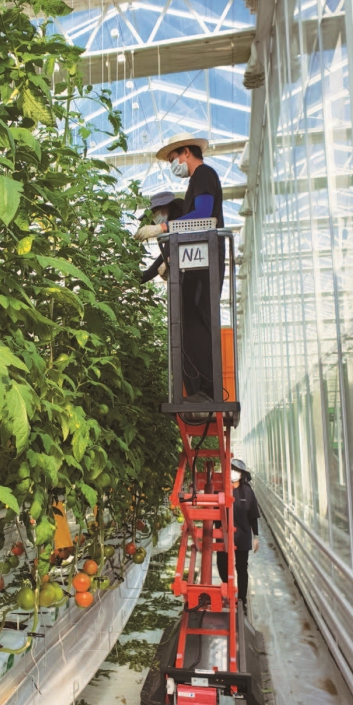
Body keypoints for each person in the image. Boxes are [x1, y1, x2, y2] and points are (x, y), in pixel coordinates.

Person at [134, 133, 225, 400]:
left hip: (206, 260)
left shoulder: (204, 174)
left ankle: (208, 389)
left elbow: (203, 215)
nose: (174, 165)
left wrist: (162, 228)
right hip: (200, 260)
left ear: (186, 152)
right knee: (190, 320)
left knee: (198, 321)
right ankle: (201, 389)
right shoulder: (197, 181)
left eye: (173, 159)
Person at [216, 458, 260, 615]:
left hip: (242, 535)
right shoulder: (220, 490)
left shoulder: (247, 492)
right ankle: (229, 590)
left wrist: (256, 536)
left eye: (237, 470)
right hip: (223, 535)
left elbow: (253, 516)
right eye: (232, 469)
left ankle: (242, 601)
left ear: (242, 475)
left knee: (242, 568)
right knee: (221, 564)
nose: (234, 473)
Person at [138, 191, 184, 283]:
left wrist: (139, 279)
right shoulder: (173, 228)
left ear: (165, 207)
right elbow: (166, 254)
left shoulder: (177, 222)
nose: (155, 217)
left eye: (155, 212)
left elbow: (166, 253)